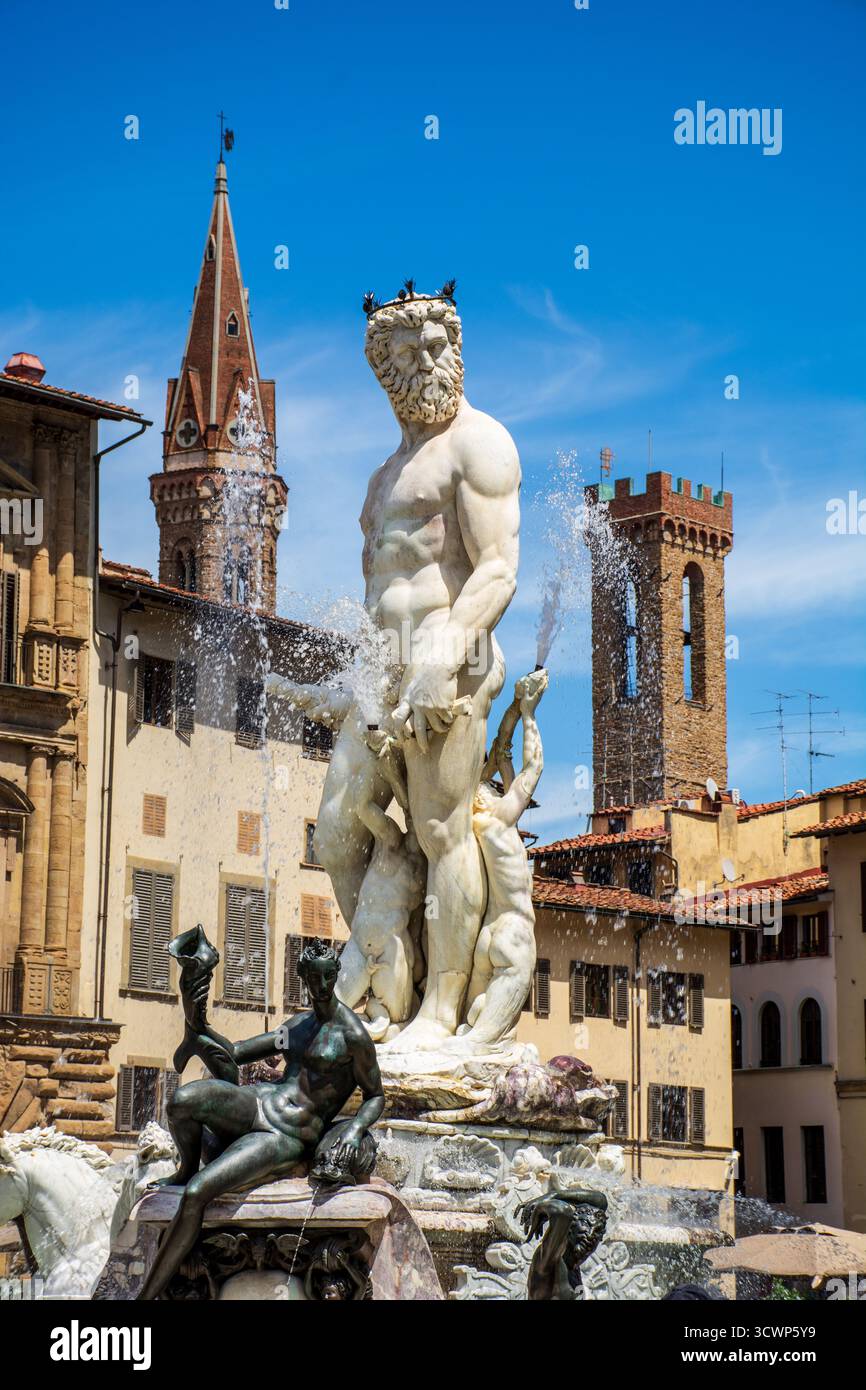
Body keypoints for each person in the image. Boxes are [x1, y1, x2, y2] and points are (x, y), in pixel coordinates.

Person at [314, 288, 521, 1050]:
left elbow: (498, 569)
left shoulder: (481, 444)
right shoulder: (380, 480)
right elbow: (376, 592)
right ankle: (383, 987)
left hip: (451, 658)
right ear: (383, 369)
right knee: (336, 834)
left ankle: (438, 1012)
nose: (427, 360)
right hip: (383, 671)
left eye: (438, 344)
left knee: (440, 830)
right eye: (408, 351)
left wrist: (444, 652)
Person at [137, 940, 384, 1301]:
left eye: (328, 977)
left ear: (336, 976)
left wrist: (355, 1129)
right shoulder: (296, 1027)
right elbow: (235, 1054)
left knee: (196, 1195)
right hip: (257, 1103)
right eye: (313, 977)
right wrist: (196, 1020)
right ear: (302, 976)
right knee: (182, 1100)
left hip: (286, 1134)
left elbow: (376, 1095)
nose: (321, 986)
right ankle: (186, 1167)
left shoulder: (353, 1036)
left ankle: (146, 1297)